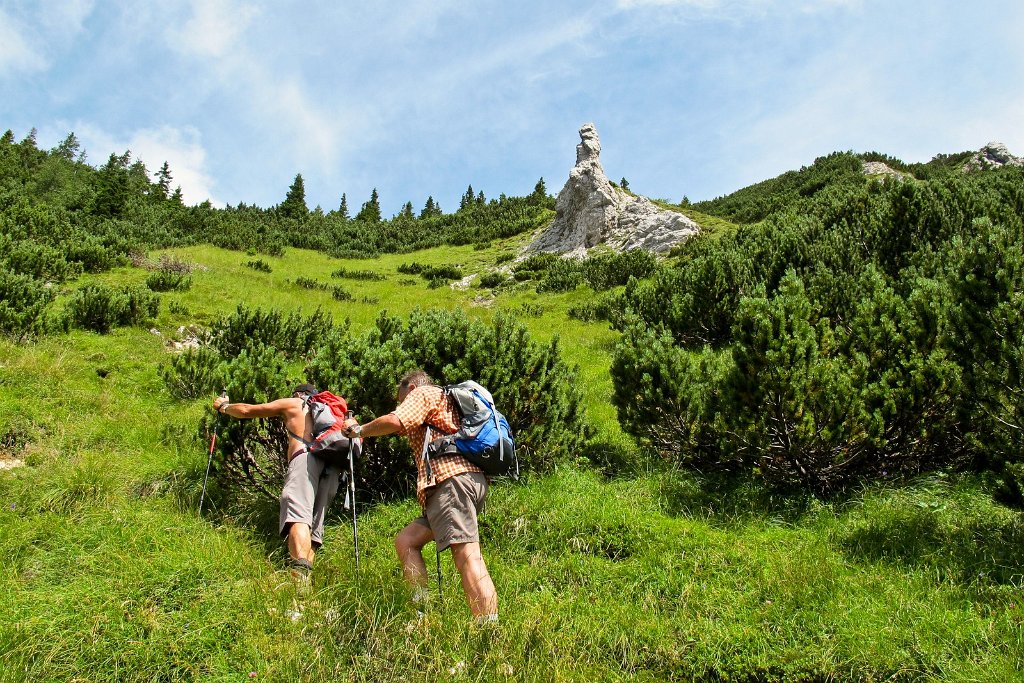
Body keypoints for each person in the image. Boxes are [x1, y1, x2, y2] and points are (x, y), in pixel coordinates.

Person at [343, 369, 499, 625]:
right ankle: (420, 610)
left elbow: (396, 421)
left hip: (451, 481)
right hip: (465, 481)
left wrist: (358, 430)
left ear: (411, 388)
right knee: (407, 541)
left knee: (467, 554)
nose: (401, 404)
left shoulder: (424, 393)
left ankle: (489, 632)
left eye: (401, 399)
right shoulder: (447, 403)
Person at [212, 383, 356, 584]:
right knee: (314, 527)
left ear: (299, 393)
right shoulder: (333, 411)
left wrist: (224, 407)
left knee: (298, 516)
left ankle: (299, 585)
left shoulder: (295, 403)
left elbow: (246, 411)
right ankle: (305, 582)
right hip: (334, 467)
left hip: (306, 459)